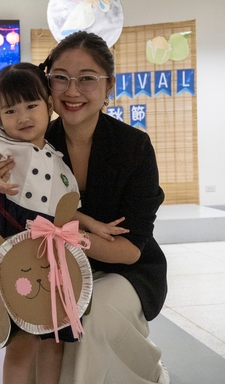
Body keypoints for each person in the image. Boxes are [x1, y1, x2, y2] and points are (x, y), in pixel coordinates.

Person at [0, 62, 128, 384]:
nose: (23, 117)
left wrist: (93, 225)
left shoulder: (56, 156)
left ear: (49, 104)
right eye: (10, 110)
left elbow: (63, 210)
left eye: (31, 105)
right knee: (22, 341)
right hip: (12, 248)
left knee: (54, 340)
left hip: (52, 253)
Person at [40, 31, 169, 383]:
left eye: (86, 79)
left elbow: (128, 250)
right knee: (46, 339)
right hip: (50, 270)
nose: (71, 91)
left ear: (109, 85)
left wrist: (63, 235)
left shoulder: (134, 147)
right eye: (60, 78)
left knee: (92, 318)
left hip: (127, 271)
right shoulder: (35, 145)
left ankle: (150, 373)